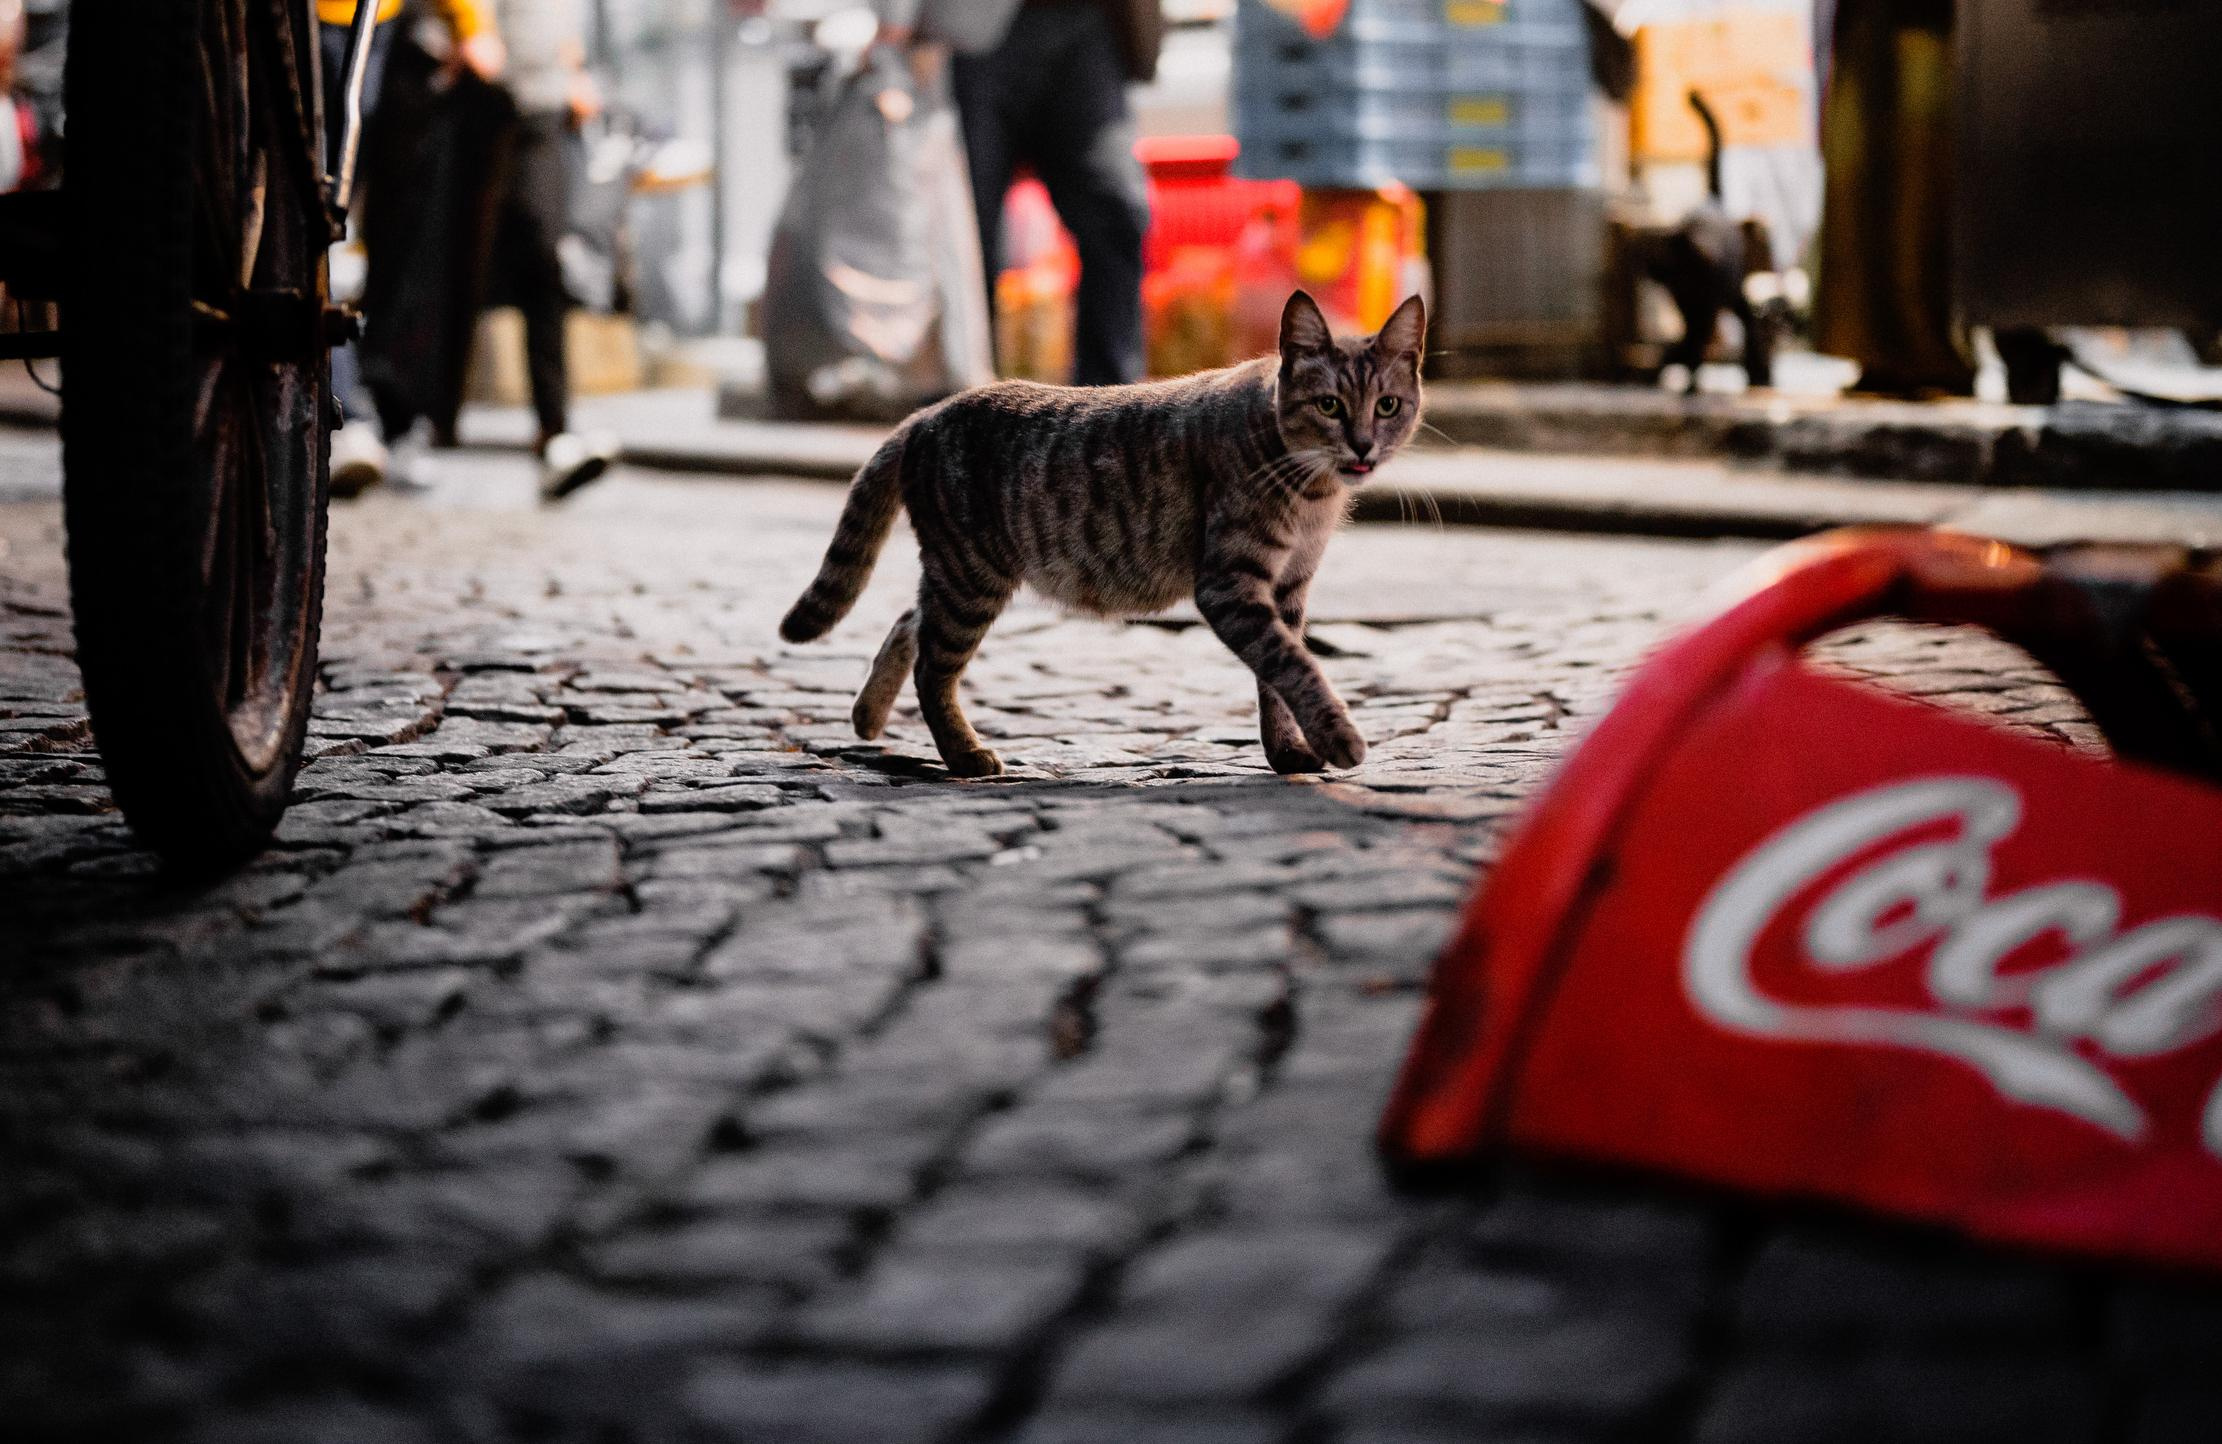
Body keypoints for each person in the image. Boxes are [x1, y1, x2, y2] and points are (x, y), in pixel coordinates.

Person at [885, 0, 1160, 386]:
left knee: (1117, 212)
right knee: (966, 236)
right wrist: (893, 19)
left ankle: (1111, 400)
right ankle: (963, 400)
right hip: (968, 33)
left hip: (1090, 22)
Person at [319, 0, 502, 495]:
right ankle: (348, 413)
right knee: (313, 217)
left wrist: (471, 24)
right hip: (304, 25)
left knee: (391, 243)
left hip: (379, 28)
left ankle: (387, 419)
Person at [486, 0, 619, 498]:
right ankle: (402, 422)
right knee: (442, 267)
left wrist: (575, 73)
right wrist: (472, 29)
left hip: (544, 113)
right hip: (483, 103)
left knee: (545, 265)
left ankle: (554, 430)